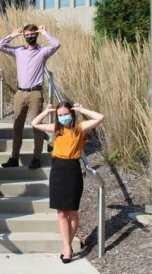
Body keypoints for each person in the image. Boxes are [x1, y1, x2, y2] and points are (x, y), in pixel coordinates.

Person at [31, 102, 104, 263]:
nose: (63, 117)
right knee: (61, 212)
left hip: (72, 169)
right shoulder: (57, 129)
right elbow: (34, 123)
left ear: (71, 113)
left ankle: (67, 245)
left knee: (72, 211)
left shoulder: (80, 127)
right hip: (57, 170)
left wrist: (82, 109)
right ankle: (67, 247)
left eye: (66, 114)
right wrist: (46, 111)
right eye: (60, 115)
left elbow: (100, 117)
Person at [0, 24, 60, 169]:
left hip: (35, 93)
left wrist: (45, 32)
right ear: (24, 36)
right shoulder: (19, 50)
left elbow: (56, 44)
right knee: (17, 126)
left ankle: (36, 158)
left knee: (37, 126)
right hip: (20, 92)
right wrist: (12, 35)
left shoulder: (43, 51)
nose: (30, 37)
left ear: (36, 35)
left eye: (32, 34)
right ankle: (14, 157)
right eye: (27, 35)